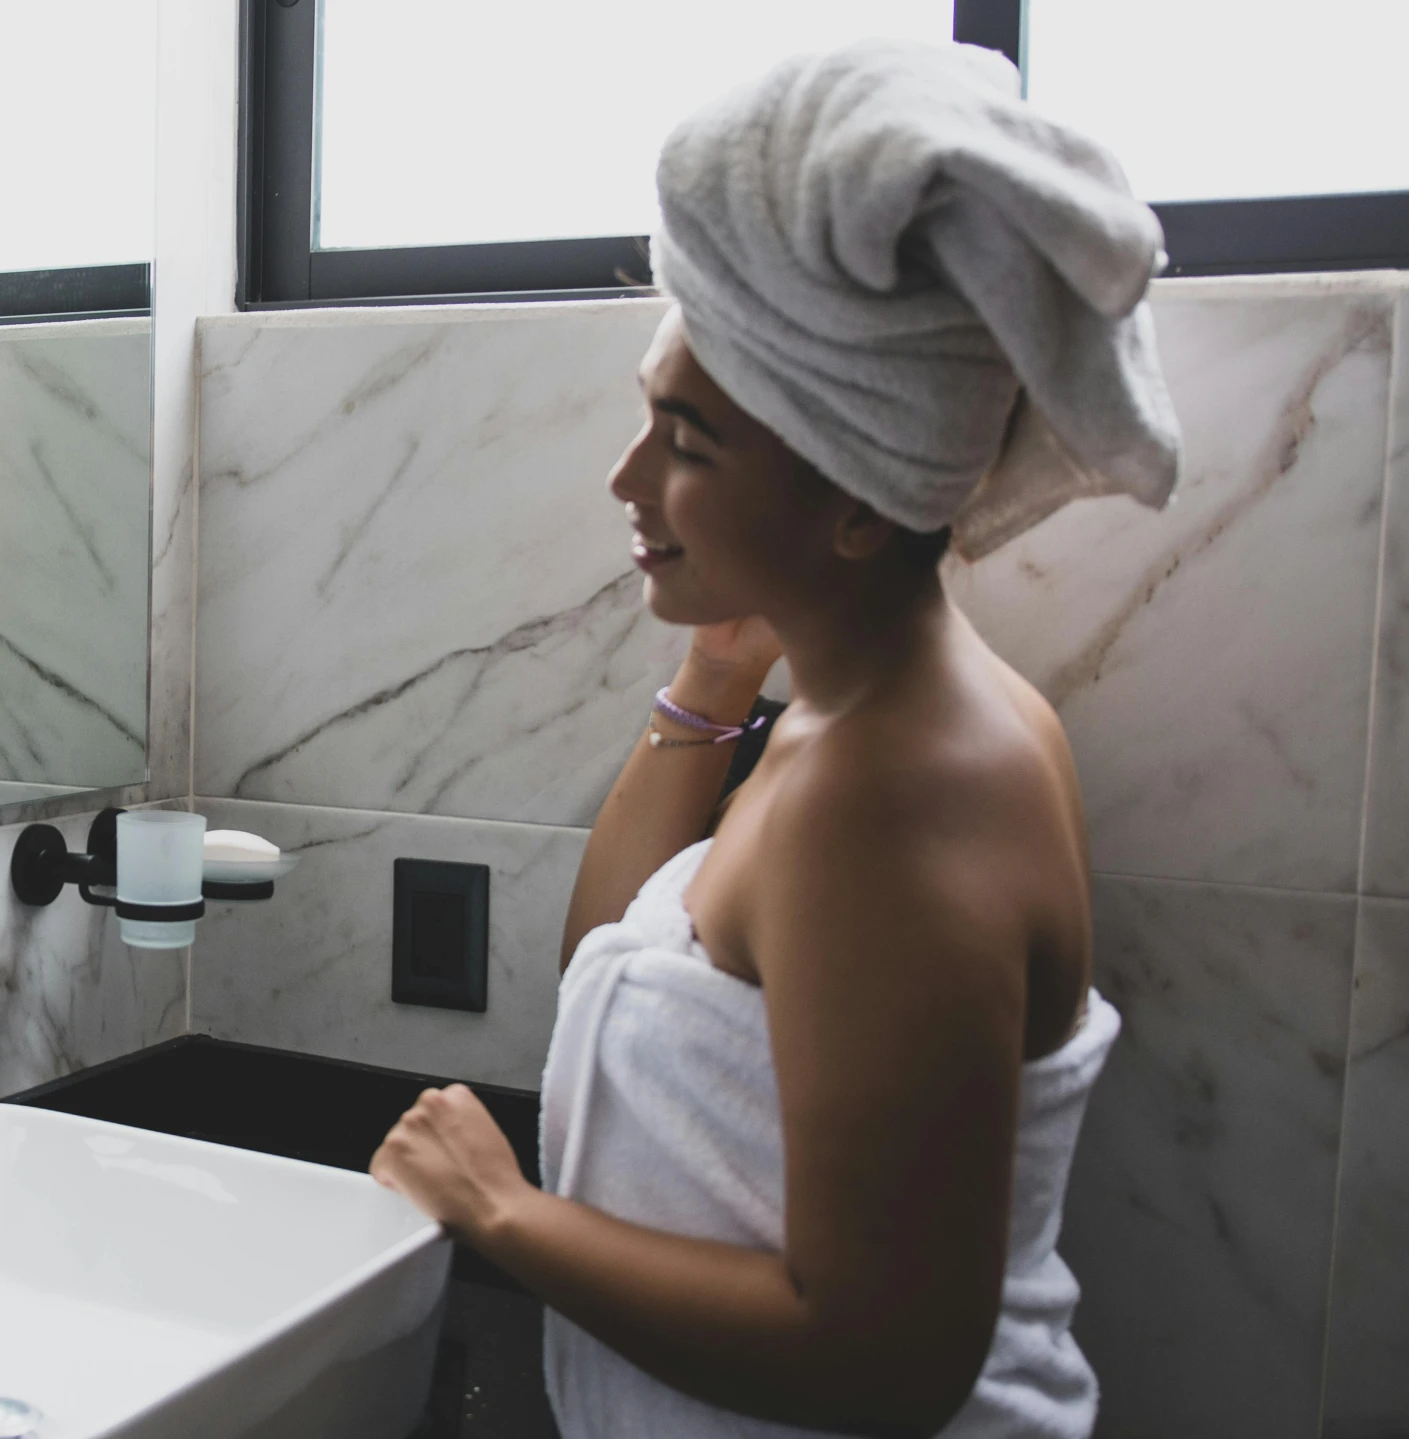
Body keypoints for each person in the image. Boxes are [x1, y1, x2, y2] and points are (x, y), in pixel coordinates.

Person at [369, 41, 1180, 1438]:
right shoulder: (845, 713)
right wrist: (718, 661)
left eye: (685, 441)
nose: (628, 478)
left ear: (856, 504)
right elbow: (617, 959)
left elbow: (880, 1358)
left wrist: (500, 1209)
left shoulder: (901, 790)